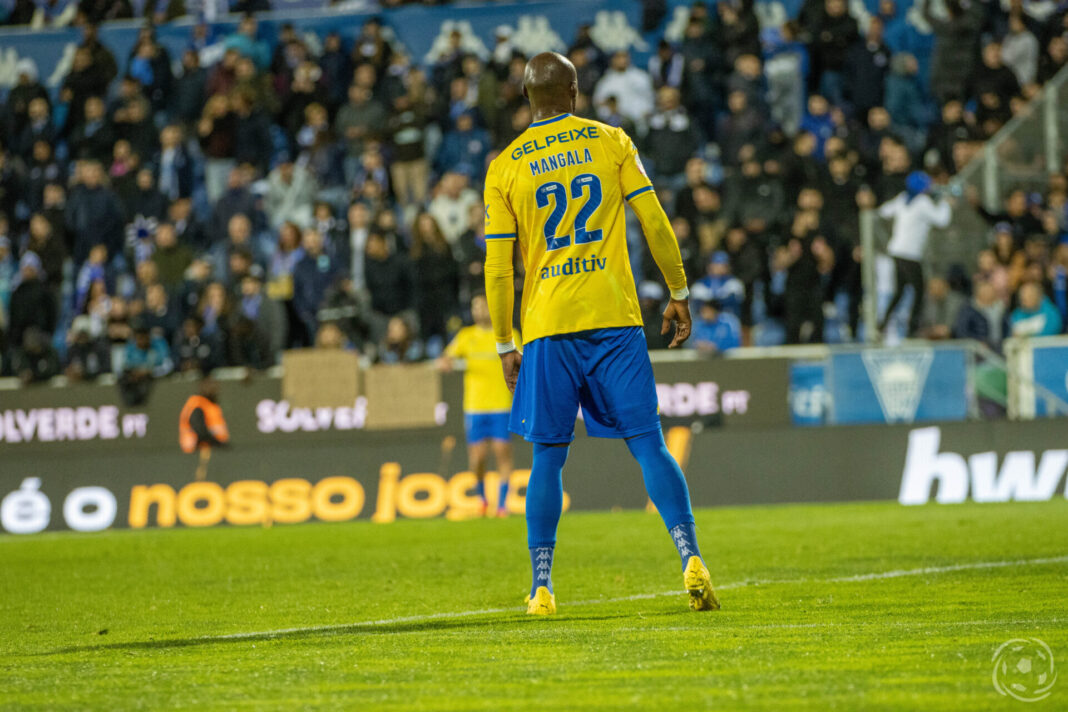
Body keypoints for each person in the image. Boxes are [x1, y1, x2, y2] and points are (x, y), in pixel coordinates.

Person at [483, 52, 719, 616]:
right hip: (614, 318)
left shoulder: (505, 166)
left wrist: (503, 340)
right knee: (649, 444)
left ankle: (542, 586)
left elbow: (497, 267)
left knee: (547, 458)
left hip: (547, 326)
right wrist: (679, 291)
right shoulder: (611, 140)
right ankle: (690, 556)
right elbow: (654, 219)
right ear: (574, 91)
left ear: (526, 97)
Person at [440, 294, 518, 518]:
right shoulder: (466, 336)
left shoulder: (508, 334)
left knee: (502, 452)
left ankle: (502, 506)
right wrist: (446, 361)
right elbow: (446, 357)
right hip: (475, 406)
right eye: (475, 307)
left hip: (501, 404)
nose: (479, 310)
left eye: (483, 305)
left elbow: (524, 357)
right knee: (478, 458)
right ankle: (483, 499)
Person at [877, 172, 952, 337]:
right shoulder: (922, 202)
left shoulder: (902, 199)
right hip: (910, 254)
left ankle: (882, 323)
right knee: (919, 291)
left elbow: (883, 211)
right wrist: (945, 203)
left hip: (896, 251)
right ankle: (911, 328)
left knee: (900, 291)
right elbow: (942, 220)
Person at [179, 377, 230, 481]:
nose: (213, 389)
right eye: (209, 385)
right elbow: (199, 429)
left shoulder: (209, 404)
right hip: (199, 452)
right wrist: (219, 444)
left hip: (209, 450)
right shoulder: (197, 404)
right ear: (202, 387)